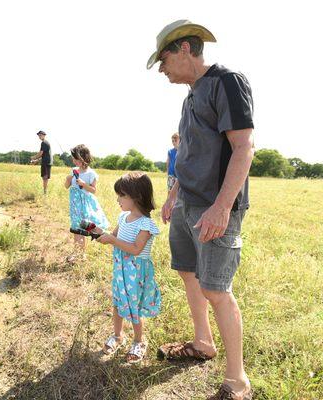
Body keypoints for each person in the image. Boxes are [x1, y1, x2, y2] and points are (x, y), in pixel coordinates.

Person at [147, 20, 254, 400]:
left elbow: (243, 148)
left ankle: (237, 381)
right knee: (189, 274)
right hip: (186, 203)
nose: (162, 70)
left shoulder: (227, 82)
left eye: (163, 60)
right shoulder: (190, 96)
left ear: (185, 49)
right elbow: (190, 154)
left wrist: (222, 208)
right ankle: (202, 343)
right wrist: (174, 191)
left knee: (216, 288)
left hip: (215, 207)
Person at [94, 172, 161, 364]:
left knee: (134, 307)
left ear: (137, 197)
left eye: (122, 195)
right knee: (118, 302)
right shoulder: (123, 217)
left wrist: (112, 239)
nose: (118, 199)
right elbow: (113, 236)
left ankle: (139, 341)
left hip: (136, 273)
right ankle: (117, 336)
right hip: (120, 269)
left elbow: (135, 248)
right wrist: (101, 234)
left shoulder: (146, 225)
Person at [64, 144, 109, 250]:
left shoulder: (91, 174)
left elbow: (93, 190)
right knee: (76, 226)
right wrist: (68, 179)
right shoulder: (74, 170)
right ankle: (78, 253)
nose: (74, 161)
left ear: (83, 158)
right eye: (73, 159)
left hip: (85, 204)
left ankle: (100, 236)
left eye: (76, 159)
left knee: (84, 224)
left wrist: (84, 184)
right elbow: (67, 186)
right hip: (75, 203)